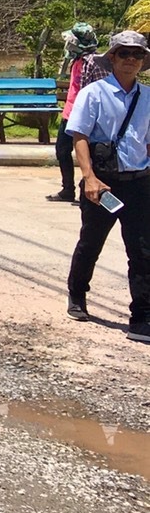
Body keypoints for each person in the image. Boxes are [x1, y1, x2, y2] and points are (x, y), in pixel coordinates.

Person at [65, 29, 150, 342]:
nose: (130, 59)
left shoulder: (147, 97)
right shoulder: (94, 93)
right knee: (91, 242)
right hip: (103, 183)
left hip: (139, 182)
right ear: (112, 58)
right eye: (124, 53)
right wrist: (89, 178)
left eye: (137, 54)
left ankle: (142, 317)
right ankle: (77, 293)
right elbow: (80, 137)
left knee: (143, 252)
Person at [49, 22, 108, 202]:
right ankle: (67, 189)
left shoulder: (94, 62)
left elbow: (97, 90)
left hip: (84, 116)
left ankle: (90, 188)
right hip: (70, 113)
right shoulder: (77, 61)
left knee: (89, 153)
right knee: (62, 150)